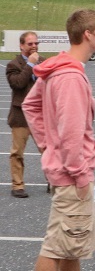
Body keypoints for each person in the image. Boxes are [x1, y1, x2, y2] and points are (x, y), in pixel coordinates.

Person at [23, 9, 95, 271]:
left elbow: (31, 106)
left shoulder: (55, 68)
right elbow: (72, 133)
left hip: (63, 169)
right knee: (56, 245)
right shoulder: (70, 76)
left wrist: (47, 145)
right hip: (72, 175)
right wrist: (79, 173)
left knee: (70, 238)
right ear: (87, 34)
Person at [6, 31, 45, 198]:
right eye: (30, 44)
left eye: (36, 43)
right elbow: (18, 84)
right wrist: (29, 65)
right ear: (21, 45)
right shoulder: (13, 65)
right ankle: (17, 185)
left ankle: (54, 181)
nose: (34, 46)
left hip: (41, 115)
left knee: (48, 151)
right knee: (17, 152)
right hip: (21, 115)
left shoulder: (43, 62)